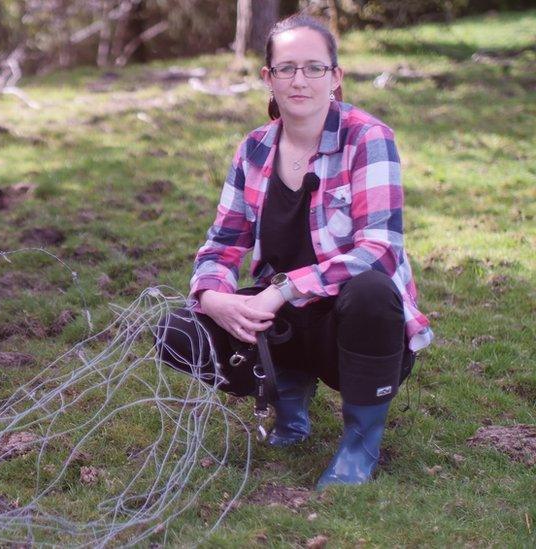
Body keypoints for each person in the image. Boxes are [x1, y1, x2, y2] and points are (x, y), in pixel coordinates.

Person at [154, 14, 434, 489]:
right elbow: (222, 244)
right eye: (286, 68)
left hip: (351, 327)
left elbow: (380, 249)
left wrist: (283, 289)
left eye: (314, 68)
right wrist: (213, 298)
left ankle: (360, 443)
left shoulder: (367, 138)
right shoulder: (254, 150)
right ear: (268, 78)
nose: (299, 80)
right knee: (177, 329)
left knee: (371, 291)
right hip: (279, 324)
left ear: (336, 76)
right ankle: (287, 396)